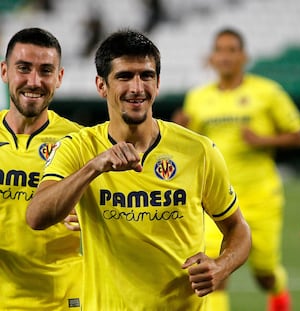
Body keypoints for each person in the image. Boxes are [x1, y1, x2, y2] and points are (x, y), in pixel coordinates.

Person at [26, 29, 251, 310]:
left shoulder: (199, 150)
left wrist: (221, 266)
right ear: (101, 85)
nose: (137, 87)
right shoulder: (78, 148)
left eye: (146, 76)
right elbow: (36, 216)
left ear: (157, 84)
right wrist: (94, 168)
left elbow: (238, 228)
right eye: (124, 76)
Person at [172, 28, 300, 311]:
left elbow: (299, 135)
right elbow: (192, 145)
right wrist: (181, 130)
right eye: (219, 50)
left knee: (265, 274)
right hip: (216, 198)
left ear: (243, 56)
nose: (225, 56)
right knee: (213, 270)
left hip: (260, 196)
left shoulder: (267, 92)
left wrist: (263, 140)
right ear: (212, 58)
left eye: (231, 50)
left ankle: (278, 292)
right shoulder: (198, 97)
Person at [0, 27, 82, 310]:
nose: (34, 81)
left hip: (62, 301)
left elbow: (120, 212)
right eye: (23, 68)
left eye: (46, 70)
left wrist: (96, 218)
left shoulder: (81, 142)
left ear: (59, 78)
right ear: (4, 71)